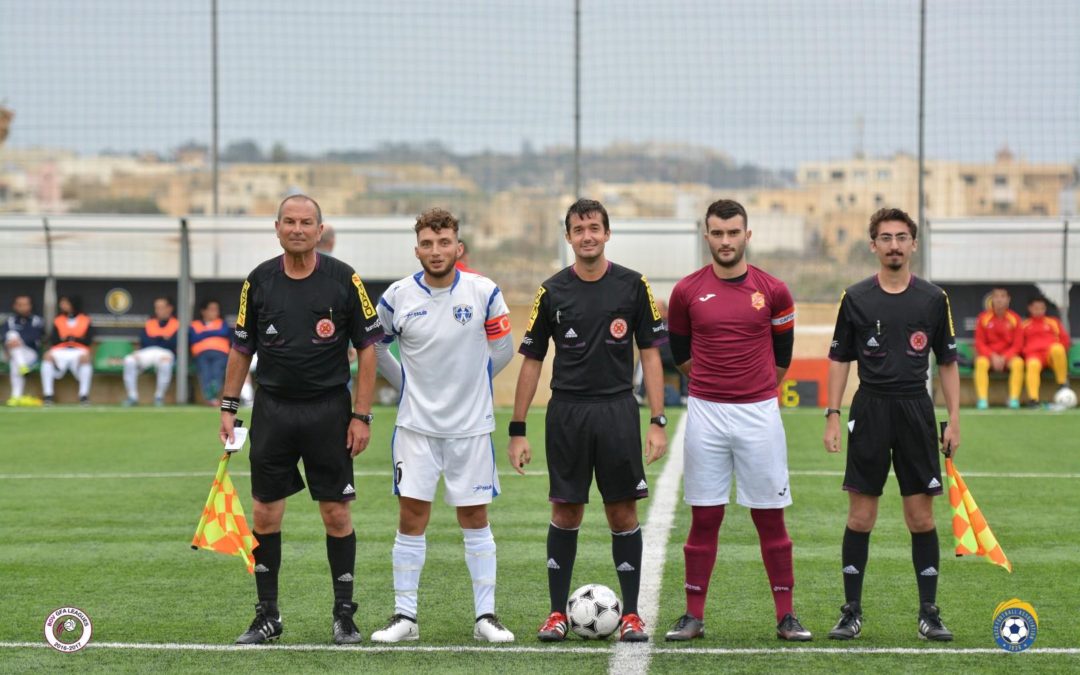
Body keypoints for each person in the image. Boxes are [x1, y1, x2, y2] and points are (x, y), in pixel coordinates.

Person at [217, 194, 383, 645]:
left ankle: (344, 616)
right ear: (276, 228)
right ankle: (267, 616)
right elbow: (241, 347)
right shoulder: (260, 280)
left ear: (320, 229)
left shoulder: (344, 279)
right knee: (265, 513)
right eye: (289, 222)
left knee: (335, 513)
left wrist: (361, 415)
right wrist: (229, 408)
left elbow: (368, 349)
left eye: (305, 222)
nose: (297, 229)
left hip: (329, 411)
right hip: (272, 410)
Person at [508, 198, 669, 643]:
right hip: (567, 412)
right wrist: (517, 429)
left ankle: (632, 614)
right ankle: (557, 614)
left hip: (617, 410)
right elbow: (531, 361)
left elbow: (652, 355)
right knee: (566, 510)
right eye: (578, 229)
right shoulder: (551, 290)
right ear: (568, 237)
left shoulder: (634, 286)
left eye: (594, 227)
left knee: (622, 511)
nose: (587, 236)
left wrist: (657, 419)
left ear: (607, 232)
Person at [663, 199, 810, 642]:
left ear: (748, 235)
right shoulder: (686, 291)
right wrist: (716, 382)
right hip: (706, 413)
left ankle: (785, 615)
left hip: (759, 414)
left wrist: (755, 387)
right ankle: (693, 616)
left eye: (733, 232)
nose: (725, 241)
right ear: (705, 236)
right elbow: (680, 354)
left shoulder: (775, 290)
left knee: (770, 519)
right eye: (717, 233)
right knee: (704, 517)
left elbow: (782, 356)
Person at [370, 208, 515, 643]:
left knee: (474, 516)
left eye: (444, 242)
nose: (436, 251)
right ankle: (405, 619)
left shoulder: (484, 291)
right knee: (411, 516)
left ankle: (485, 617)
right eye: (428, 244)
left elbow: (503, 349)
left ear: (459, 247)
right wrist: (406, 386)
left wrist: (475, 384)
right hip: (416, 428)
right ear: (417, 249)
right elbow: (377, 350)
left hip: (471, 428)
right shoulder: (397, 296)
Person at [823, 207, 960, 642]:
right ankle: (851, 612)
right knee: (861, 516)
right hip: (870, 409)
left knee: (920, 517)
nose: (895, 245)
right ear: (874, 245)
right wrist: (832, 414)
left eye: (902, 237)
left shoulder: (934, 299)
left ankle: (929, 613)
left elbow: (949, 363)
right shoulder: (856, 297)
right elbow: (840, 359)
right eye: (886, 237)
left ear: (913, 244)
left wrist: (953, 419)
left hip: (916, 410)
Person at [122, 296, 179, 406]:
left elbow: (173, 343)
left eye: (162, 307)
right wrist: (163, 337)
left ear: (170, 308)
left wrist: (157, 338)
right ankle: (132, 396)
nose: (159, 310)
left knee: (165, 363)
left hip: (166, 353)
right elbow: (145, 341)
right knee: (129, 360)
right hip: (148, 352)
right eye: (157, 308)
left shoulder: (176, 323)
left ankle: (159, 397)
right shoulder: (150, 323)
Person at [973, 287, 1024, 409]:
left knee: (1018, 363)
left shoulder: (1015, 318)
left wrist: (1005, 357)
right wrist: (993, 356)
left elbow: (1018, 344)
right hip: (990, 357)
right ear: (992, 299)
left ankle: (1014, 399)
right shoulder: (983, 318)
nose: (999, 300)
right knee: (980, 363)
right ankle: (982, 400)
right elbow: (979, 343)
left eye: (1002, 296)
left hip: (1008, 357)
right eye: (996, 296)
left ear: (1008, 299)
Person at [40, 295, 94, 406]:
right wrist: (65, 339)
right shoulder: (58, 319)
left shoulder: (85, 319)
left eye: (65, 303)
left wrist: (75, 339)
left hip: (79, 350)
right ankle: (48, 395)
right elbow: (53, 339)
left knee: (86, 358)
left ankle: (84, 395)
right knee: (47, 356)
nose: (62, 305)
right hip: (61, 350)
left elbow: (88, 340)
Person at [1019, 296, 1070, 407]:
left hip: (1050, 356)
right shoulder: (1024, 325)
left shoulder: (1053, 322)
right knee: (1032, 365)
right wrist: (1026, 352)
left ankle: (1063, 383)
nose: (1039, 311)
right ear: (1030, 308)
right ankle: (1033, 399)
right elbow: (1019, 344)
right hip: (1034, 356)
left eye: (1041, 308)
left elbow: (1065, 340)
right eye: (1036, 308)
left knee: (1058, 349)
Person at [4, 294, 45, 405]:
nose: (23, 307)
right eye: (20, 305)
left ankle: (15, 396)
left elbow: (36, 336)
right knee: (11, 335)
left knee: (15, 359)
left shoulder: (36, 320)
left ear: (30, 306)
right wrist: (9, 343)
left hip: (31, 353)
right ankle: (16, 397)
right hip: (13, 353)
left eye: (25, 304)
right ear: (15, 306)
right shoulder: (10, 321)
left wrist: (20, 341)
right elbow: (2, 335)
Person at [190, 299, 231, 406]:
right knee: (205, 373)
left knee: (217, 372)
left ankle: (213, 394)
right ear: (203, 311)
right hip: (201, 354)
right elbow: (194, 337)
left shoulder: (222, 322)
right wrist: (213, 333)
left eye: (216, 309)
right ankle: (210, 398)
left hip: (220, 353)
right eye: (211, 309)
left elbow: (224, 332)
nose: (214, 312)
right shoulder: (195, 324)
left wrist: (204, 333)